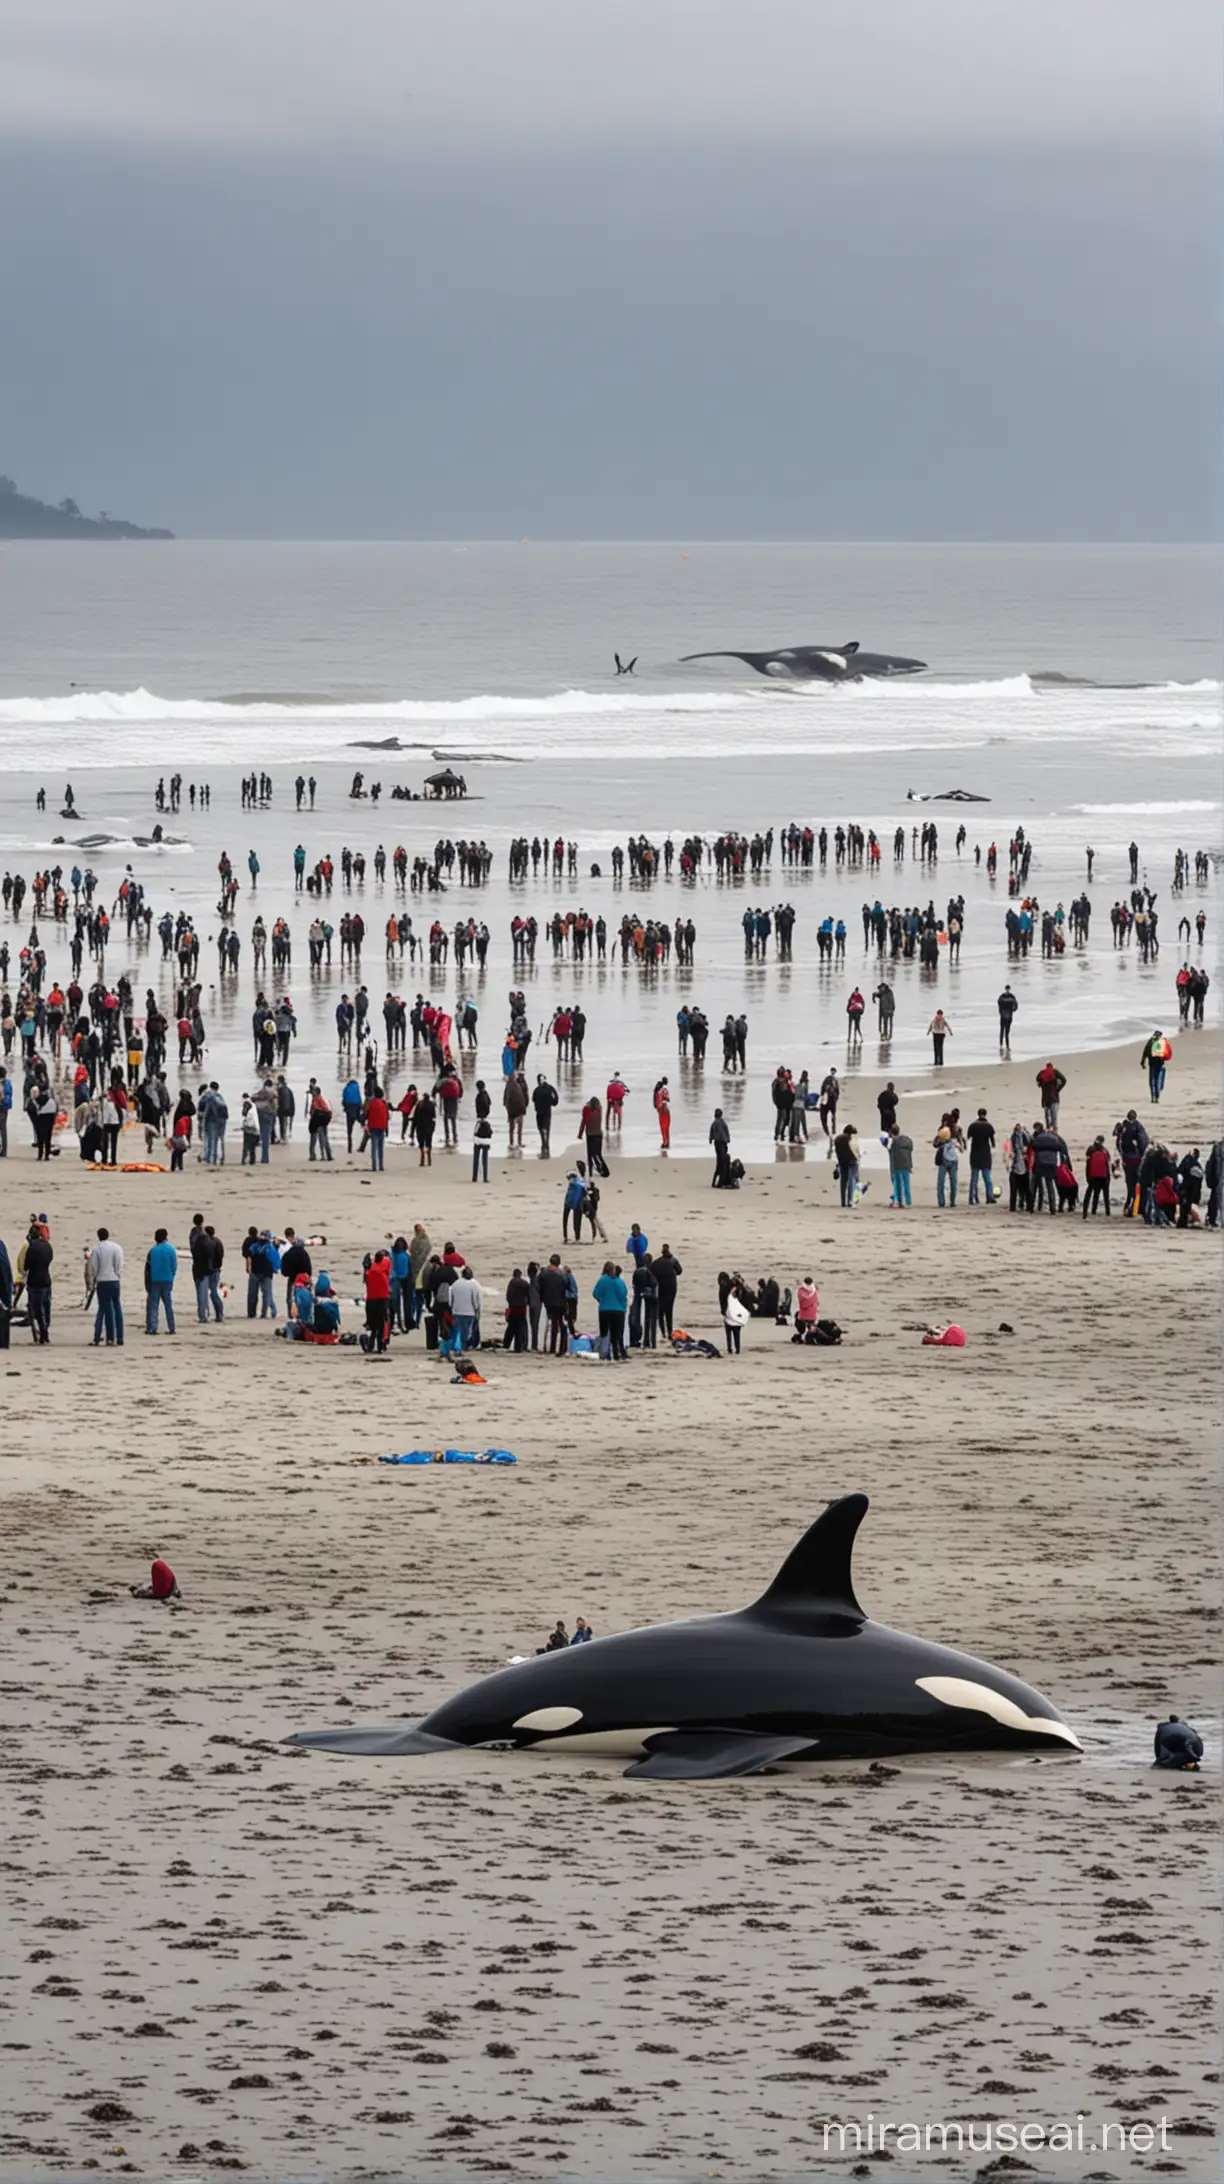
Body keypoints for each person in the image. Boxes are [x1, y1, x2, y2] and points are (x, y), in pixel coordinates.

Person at [90, 1226, 124, 1346]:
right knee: (117, 1308)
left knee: (104, 1310)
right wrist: (117, 1274)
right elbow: (119, 1264)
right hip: (114, 1280)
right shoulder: (116, 1247)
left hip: (102, 1281)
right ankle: (119, 1336)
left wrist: (95, 1277)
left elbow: (94, 1267)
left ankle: (104, 1337)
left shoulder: (97, 1249)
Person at [23, 1222, 53, 1343]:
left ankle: (42, 1333)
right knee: (46, 1307)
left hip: (34, 1281)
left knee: (36, 1309)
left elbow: (26, 1266)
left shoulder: (32, 1247)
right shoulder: (47, 1246)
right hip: (46, 1279)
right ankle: (46, 1330)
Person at [145, 1227, 177, 1335]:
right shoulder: (171, 1249)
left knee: (154, 1305)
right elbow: (174, 1266)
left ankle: (153, 1327)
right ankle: (172, 1327)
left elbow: (148, 1268)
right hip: (167, 1279)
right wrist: (172, 1276)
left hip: (155, 1280)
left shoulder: (153, 1250)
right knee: (168, 1305)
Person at [593, 1260, 628, 1360]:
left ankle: (605, 1354)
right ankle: (616, 1354)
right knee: (616, 1334)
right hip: (618, 1311)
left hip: (604, 1310)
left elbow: (595, 1294)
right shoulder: (619, 1282)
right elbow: (623, 1295)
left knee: (604, 1333)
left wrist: (602, 1300)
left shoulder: (602, 1280)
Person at [966, 1110, 996, 1204]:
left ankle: (972, 1198)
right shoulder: (989, 1126)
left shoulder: (973, 1125)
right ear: (985, 1114)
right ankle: (990, 1197)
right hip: (985, 1153)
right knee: (987, 1177)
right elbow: (993, 1142)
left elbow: (968, 1137)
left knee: (974, 1178)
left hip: (975, 1153)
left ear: (978, 1114)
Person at [364, 1249, 391, 1353]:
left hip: (371, 1300)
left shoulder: (370, 1272)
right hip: (382, 1299)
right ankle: (381, 1345)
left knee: (373, 1326)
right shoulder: (384, 1269)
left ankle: (371, 1345)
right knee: (382, 1324)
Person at [653, 1244, 682, 1338]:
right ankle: (670, 1333)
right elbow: (680, 1271)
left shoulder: (657, 1262)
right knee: (669, 1312)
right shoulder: (673, 1261)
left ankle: (663, 1334)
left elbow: (651, 1274)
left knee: (660, 1312)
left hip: (660, 1290)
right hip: (671, 1290)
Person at [1082, 1136, 1112, 1218]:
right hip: (1103, 1176)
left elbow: (1088, 1166)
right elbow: (1107, 1164)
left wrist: (1088, 1177)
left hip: (1093, 1176)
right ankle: (1107, 1211)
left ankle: (1086, 1212)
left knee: (1090, 1194)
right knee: (1106, 1195)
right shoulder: (1105, 1151)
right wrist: (1108, 1178)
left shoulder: (1090, 1150)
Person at [504, 1266, 531, 1351]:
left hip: (513, 1308)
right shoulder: (525, 1283)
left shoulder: (511, 1282)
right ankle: (519, 1346)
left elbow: (508, 1296)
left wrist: (510, 1304)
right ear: (520, 1275)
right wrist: (527, 1303)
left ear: (513, 1275)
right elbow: (529, 1295)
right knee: (520, 1328)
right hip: (522, 1309)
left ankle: (506, 1344)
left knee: (511, 1328)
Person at [833, 1121, 860, 1207]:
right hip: (852, 1161)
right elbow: (856, 1151)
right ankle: (850, 1200)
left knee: (843, 1181)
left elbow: (837, 1152)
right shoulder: (851, 1139)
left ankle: (843, 1201)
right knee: (852, 1180)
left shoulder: (837, 1139)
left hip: (842, 1161)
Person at [1141, 1028, 1172, 1103]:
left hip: (1152, 1063)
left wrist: (1142, 1062)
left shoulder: (1150, 1041)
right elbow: (1167, 1052)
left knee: (1152, 1080)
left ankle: (1153, 1097)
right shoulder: (1163, 1042)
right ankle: (1157, 1096)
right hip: (1160, 1063)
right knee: (1157, 1079)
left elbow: (1145, 1052)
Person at [1035, 1061, 1067, 1128]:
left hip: (1045, 1099)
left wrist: (1042, 1085)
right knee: (1054, 1118)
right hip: (1054, 1097)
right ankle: (1055, 1131)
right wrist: (1058, 1089)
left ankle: (1048, 1129)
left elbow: (1038, 1081)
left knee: (1047, 1117)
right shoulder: (1055, 1072)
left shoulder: (1041, 1073)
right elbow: (1064, 1080)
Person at [888, 1124, 913, 1207]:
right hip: (907, 1164)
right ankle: (907, 1202)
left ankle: (897, 1201)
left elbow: (888, 1148)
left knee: (897, 1184)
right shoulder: (907, 1140)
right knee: (906, 1184)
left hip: (897, 1164)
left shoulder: (893, 1142)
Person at [364, 1085, 389, 1171]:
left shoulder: (372, 1103)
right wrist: (387, 1129)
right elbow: (387, 1117)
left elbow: (367, 1115)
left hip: (373, 1127)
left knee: (374, 1148)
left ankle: (374, 1166)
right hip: (382, 1127)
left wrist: (365, 1123)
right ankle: (381, 1165)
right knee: (380, 1148)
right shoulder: (384, 1103)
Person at [722, 1281, 749, 1354]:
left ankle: (730, 1349)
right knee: (736, 1334)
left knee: (730, 1334)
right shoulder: (738, 1296)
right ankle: (736, 1349)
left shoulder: (728, 1295)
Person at [709, 1107, 732, 1188]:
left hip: (718, 1143)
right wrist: (728, 1139)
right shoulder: (722, 1122)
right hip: (723, 1142)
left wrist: (710, 1139)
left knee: (719, 1162)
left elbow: (711, 1132)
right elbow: (726, 1130)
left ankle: (715, 1182)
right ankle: (721, 1181)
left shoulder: (714, 1123)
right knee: (722, 1161)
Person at [562, 1170, 586, 1242]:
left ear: (573, 1177)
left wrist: (574, 1205)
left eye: (569, 1178)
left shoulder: (578, 1185)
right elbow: (568, 1195)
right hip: (568, 1204)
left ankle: (577, 1238)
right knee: (566, 1220)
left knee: (577, 1222)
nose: (569, 1180)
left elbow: (577, 1196)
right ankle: (566, 1237)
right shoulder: (572, 1184)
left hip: (577, 1205)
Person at [794, 1276, 819, 1341]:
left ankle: (802, 1337)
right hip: (812, 1313)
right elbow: (815, 1300)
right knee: (811, 1327)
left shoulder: (801, 1290)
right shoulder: (814, 1291)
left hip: (804, 1314)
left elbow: (803, 1302)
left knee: (802, 1328)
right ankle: (811, 1338)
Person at [997, 985, 1018, 1050]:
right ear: (1005, 989)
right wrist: (1001, 1012)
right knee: (1002, 1031)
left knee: (1007, 1032)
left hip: (1009, 1016)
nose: (1007, 990)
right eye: (1006, 989)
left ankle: (1007, 1046)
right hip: (1003, 1016)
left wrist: (1013, 1010)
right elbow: (999, 1004)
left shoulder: (1012, 997)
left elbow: (1016, 1005)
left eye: (1008, 989)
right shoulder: (1002, 996)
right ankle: (1000, 1045)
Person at [653, 1075, 671, 1149]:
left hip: (661, 1110)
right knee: (666, 1127)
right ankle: (667, 1142)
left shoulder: (658, 1091)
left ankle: (665, 1142)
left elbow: (658, 1101)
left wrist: (657, 1107)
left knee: (663, 1127)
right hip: (665, 1110)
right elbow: (667, 1099)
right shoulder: (664, 1091)